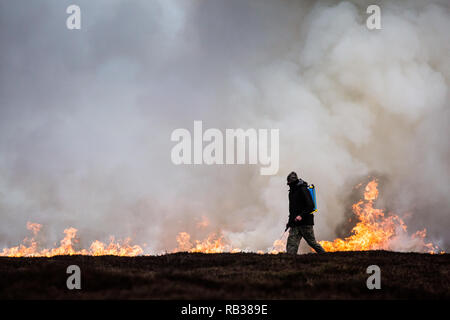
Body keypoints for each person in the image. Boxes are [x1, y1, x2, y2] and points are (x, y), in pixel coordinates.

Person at [285, 171, 325, 254]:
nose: (288, 184)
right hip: (295, 224)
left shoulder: (303, 189)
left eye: (289, 182)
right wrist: (289, 222)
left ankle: (326, 256)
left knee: (312, 243)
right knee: (291, 244)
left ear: (292, 182)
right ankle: (290, 262)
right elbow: (292, 210)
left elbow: (311, 206)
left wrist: (301, 215)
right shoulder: (291, 192)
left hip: (305, 223)